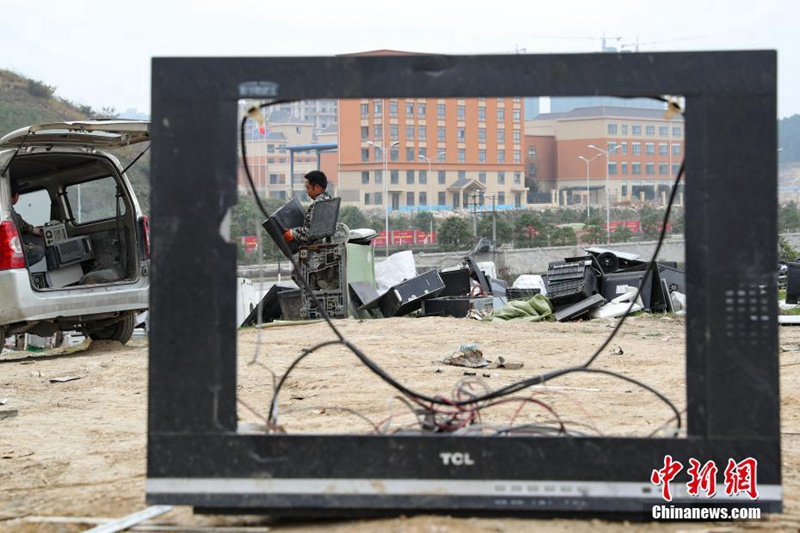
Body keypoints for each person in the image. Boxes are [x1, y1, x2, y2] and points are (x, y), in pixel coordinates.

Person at [283, 170, 332, 245]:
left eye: (308, 188)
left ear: (317, 187)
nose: (306, 191)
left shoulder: (319, 205)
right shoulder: (328, 200)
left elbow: (312, 232)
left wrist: (292, 233)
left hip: (316, 250)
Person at [10, 180, 45, 265]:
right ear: (15, 195)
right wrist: (34, 230)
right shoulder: (7, 211)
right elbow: (19, 223)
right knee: (38, 252)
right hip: (8, 250)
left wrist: (33, 230)